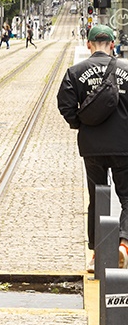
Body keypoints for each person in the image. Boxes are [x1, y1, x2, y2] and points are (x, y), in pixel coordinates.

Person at [57, 23, 128, 270]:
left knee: (98, 198)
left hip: (92, 147)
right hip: (124, 146)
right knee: (127, 197)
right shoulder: (127, 69)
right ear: (112, 45)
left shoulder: (75, 72)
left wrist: (84, 123)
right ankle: (123, 244)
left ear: (89, 45)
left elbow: (65, 107)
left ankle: (97, 254)